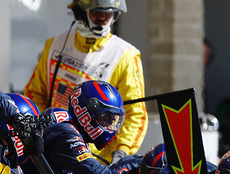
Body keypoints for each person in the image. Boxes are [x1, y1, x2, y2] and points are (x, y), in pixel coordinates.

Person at [23, 0, 147, 164]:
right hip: (51, 150)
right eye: (96, 13)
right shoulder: (54, 45)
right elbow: (35, 94)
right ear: (80, 13)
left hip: (93, 160)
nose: (102, 17)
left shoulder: (126, 56)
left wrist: (121, 152)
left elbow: (135, 113)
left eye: (107, 13)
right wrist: (38, 132)